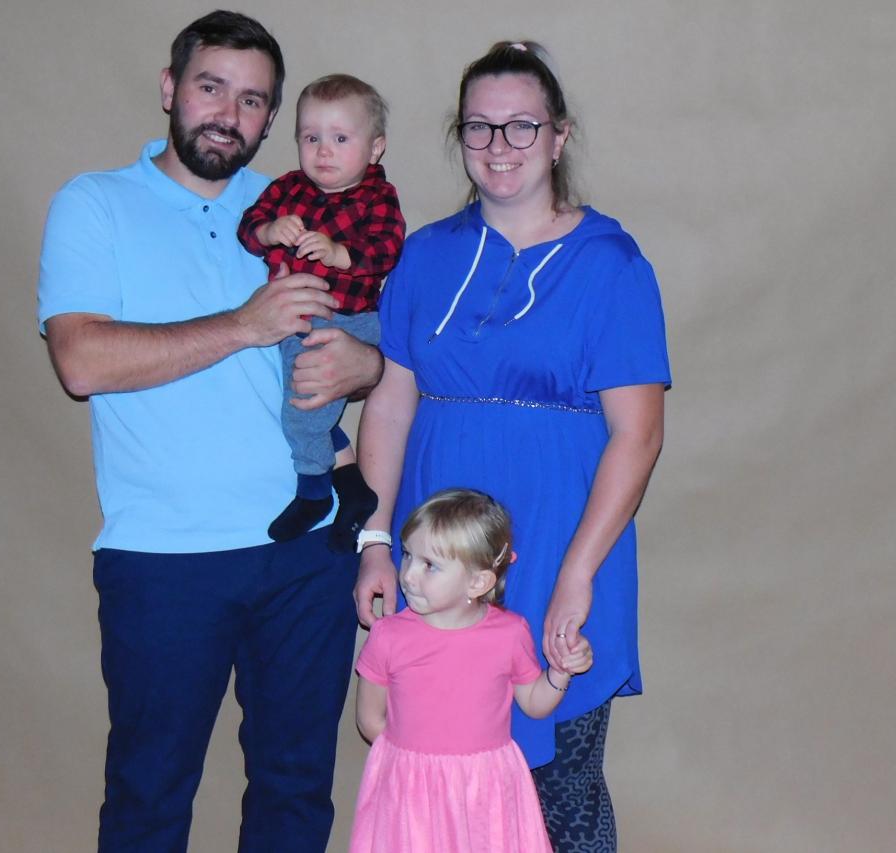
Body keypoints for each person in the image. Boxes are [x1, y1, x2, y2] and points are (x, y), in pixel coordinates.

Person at [37, 11, 381, 852]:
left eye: (253, 100)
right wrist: (243, 324)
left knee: (296, 792)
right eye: (211, 87)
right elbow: (80, 361)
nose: (229, 114)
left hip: (307, 553)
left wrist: (363, 366)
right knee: (150, 795)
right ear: (170, 88)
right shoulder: (94, 204)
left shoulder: (299, 207)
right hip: (164, 556)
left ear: (272, 118)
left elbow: (371, 337)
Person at [353, 40, 671, 851]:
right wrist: (376, 541)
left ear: (559, 136)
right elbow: (389, 404)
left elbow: (638, 434)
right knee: (438, 789)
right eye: (479, 127)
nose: (499, 146)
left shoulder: (612, 265)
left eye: (521, 125)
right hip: (440, 564)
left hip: (561, 547)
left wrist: (576, 573)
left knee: (560, 792)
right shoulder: (425, 255)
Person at [350, 489, 593, 852]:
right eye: (407, 555)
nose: (409, 575)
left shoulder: (509, 633)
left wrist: (560, 672)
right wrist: (412, 765)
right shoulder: (388, 635)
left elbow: (534, 703)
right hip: (412, 791)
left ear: (478, 582)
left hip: (486, 790)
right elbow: (370, 719)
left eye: (429, 565)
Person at [237, 73, 404, 550]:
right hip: (295, 319)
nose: (323, 151)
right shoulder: (288, 189)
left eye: (340, 139)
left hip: (348, 319)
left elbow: (388, 248)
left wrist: (340, 254)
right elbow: (248, 227)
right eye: (311, 138)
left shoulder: (376, 197)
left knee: (304, 408)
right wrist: (269, 232)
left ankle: (313, 492)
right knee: (293, 402)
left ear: (375, 149)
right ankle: (353, 490)